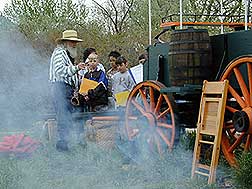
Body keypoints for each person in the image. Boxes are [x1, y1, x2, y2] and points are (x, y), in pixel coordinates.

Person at [49, 30, 86, 152]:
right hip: (61, 88)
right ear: (65, 42)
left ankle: (65, 144)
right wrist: (76, 68)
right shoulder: (60, 53)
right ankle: (62, 146)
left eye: (75, 42)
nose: (74, 44)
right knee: (63, 117)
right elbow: (60, 71)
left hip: (65, 89)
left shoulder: (66, 54)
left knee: (66, 117)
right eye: (72, 42)